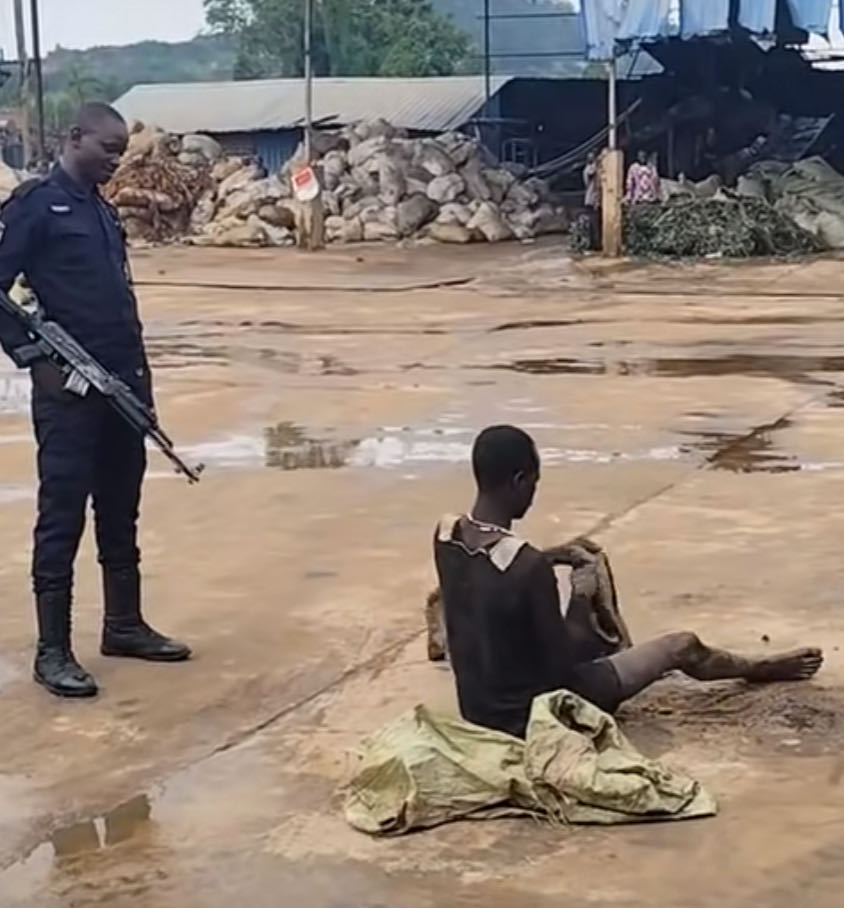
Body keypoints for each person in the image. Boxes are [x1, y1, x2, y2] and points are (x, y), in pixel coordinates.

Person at [432, 425, 823, 739]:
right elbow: (563, 668)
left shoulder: (447, 535)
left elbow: (492, 570)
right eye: (534, 482)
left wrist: (553, 555)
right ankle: (759, 667)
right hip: (534, 716)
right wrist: (582, 599)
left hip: (478, 708)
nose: (534, 494)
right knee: (681, 645)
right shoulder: (529, 569)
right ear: (519, 480)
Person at [0, 102, 191, 699]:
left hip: (120, 386)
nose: (115, 161)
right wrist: (33, 358)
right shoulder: (36, 205)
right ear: (74, 137)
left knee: (120, 508)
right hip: (69, 395)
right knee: (62, 516)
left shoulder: (102, 211)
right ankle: (52, 650)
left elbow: (119, 305)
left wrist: (142, 387)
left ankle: (124, 625)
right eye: (108, 149)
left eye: (121, 152)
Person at [582, 151, 601, 250]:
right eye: (591, 158)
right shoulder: (588, 169)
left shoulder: (591, 169)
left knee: (596, 223)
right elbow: (592, 172)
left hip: (594, 199)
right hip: (591, 200)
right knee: (594, 224)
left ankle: (595, 243)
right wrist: (598, 162)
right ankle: (594, 244)